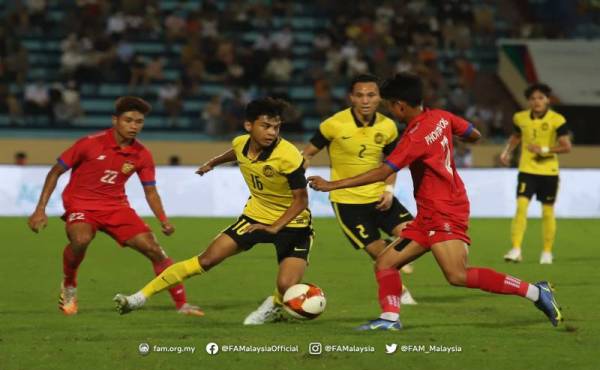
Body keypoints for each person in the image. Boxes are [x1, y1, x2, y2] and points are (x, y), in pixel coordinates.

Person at [308, 73, 563, 330]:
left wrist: (332, 184)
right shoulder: (441, 116)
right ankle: (389, 319)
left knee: (457, 275)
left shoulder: (414, 137)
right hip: (430, 212)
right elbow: (474, 134)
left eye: (390, 106)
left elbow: (382, 172)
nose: (391, 112)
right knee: (385, 262)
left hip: (444, 210)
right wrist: (443, 145)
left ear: (400, 105)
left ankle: (535, 291)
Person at [114, 98, 314, 325]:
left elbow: (301, 201)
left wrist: (274, 228)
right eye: (266, 126)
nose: (272, 133)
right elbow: (235, 152)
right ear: (249, 126)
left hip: (294, 225)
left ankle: (274, 306)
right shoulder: (241, 143)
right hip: (254, 218)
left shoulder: (288, 156)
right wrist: (213, 163)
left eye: (276, 127)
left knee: (286, 287)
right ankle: (138, 298)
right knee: (206, 260)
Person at [27, 96, 202, 317]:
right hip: (81, 204)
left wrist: (163, 220)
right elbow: (55, 172)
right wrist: (40, 209)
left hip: (116, 207)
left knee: (154, 250)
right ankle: (69, 285)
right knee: (80, 240)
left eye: (139, 122)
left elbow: (150, 190)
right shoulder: (89, 143)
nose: (134, 126)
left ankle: (182, 305)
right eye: (128, 120)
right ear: (115, 120)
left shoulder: (142, 154)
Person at [302, 73, 416, 305]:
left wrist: (388, 190)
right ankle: (401, 293)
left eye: (371, 95)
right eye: (360, 95)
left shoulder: (388, 126)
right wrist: (298, 169)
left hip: (380, 197)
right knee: (380, 255)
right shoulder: (333, 125)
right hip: (348, 203)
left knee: (415, 235)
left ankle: (396, 254)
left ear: (379, 98)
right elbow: (308, 153)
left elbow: (392, 162)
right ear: (351, 98)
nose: (365, 100)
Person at [500, 83, 571, 264]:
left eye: (541, 98)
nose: (537, 101)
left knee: (547, 212)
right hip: (527, 170)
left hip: (549, 172)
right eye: (533, 98)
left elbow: (566, 146)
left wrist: (543, 149)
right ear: (528, 101)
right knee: (521, 208)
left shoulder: (557, 120)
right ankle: (516, 249)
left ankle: (547, 252)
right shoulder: (520, 118)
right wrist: (507, 151)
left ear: (547, 100)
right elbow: (517, 136)